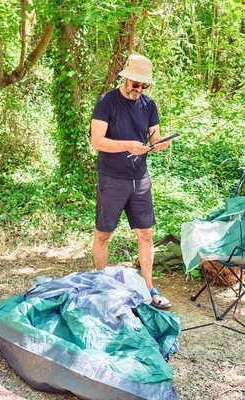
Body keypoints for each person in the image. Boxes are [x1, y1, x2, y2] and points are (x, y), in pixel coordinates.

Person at [90, 54, 172, 309]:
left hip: (140, 179)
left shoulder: (149, 105)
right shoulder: (107, 101)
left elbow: (154, 136)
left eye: (144, 85)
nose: (139, 89)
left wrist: (159, 144)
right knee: (104, 233)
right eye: (136, 84)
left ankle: (149, 288)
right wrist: (127, 145)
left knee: (146, 233)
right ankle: (101, 286)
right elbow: (97, 141)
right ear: (125, 78)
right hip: (112, 178)